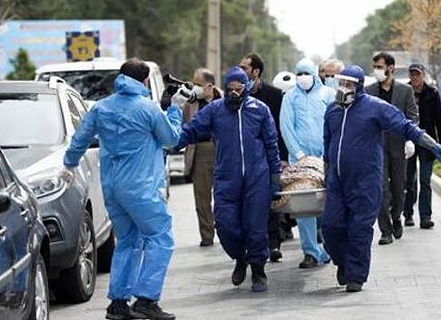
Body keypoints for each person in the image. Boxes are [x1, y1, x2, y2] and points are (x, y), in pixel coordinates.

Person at [63, 58, 183, 320]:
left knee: (127, 242)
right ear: (143, 81)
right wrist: (173, 111)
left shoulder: (102, 108)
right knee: (160, 239)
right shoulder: (148, 109)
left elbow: (80, 139)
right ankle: (147, 299)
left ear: (120, 77)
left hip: (112, 189)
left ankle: (118, 303)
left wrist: (68, 165)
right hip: (141, 188)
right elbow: (171, 139)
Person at [322, 65, 441, 293]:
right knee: (330, 227)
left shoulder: (375, 108)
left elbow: (404, 125)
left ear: (359, 86)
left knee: (359, 230)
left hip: (365, 182)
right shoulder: (332, 112)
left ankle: (355, 276)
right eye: (341, 83)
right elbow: (327, 144)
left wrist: (431, 143)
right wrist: (326, 172)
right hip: (337, 182)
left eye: (348, 84)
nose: (343, 88)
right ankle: (342, 262)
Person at [174, 66, 282, 293]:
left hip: (257, 178)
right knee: (225, 224)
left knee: (255, 227)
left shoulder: (260, 110)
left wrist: (274, 176)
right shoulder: (214, 110)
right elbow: (191, 130)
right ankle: (239, 258)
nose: (234, 93)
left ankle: (258, 270)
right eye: (230, 89)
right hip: (226, 178)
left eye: (238, 88)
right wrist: (170, 141)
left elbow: (271, 144)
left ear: (247, 87)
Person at [280, 58, 334, 269]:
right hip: (300, 161)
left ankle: (330, 249)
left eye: (306, 73)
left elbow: (333, 124)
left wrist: (325, 153)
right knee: (304, 208)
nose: (302, 77)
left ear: (314, 74)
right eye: (299, 73)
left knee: (329, 204)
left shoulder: (327, 95)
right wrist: (299, 154)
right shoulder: (290, 98)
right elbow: (286, 127)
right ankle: (310, 252)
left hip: (324, 158)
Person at [239, 52, 290, 262]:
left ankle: (273, 243)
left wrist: (283, 158)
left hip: (270, 158)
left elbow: (281, 128)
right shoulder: (236, 95)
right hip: (245, 160)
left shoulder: (274, 95)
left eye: (244, 68)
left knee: (272, 201)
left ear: (255, 71)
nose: (240, 71)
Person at [365, 52, 419, 245]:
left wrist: (410, 139)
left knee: (399, 187)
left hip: (398, 145)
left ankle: (397, 217)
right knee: (380, 189)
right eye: (375, 67)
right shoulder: (369, 91)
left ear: (391, 68)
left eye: (380, 67)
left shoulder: (405, 91)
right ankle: (385, 230)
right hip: (377, 148)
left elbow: (412, 117)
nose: (377, 70)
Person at [404, 63, 441, 229]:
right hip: (408, 140)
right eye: (412, 74)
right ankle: (407, 212)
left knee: (425, 180)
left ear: (423, 75)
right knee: (408, 180)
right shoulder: (404, 91)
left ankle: (425, 216)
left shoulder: (432, 93)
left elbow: (440, 121)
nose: (415, 78)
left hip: (427, 142)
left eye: (417, 74)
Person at [181, 68, 222, 247]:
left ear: (209, 86)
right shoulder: (190, 104)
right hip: (199, 149)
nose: (195, 87)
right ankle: (207, 235)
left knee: (224, 193)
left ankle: (226, 229)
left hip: (221, 149)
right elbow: (184, 128)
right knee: (202, 197)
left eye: (198, 84)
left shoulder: (224, 101)